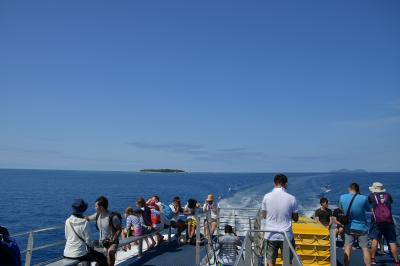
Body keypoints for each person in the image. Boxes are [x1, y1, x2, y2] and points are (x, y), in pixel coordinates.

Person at [260, 173, 298, 266]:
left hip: (270, 234)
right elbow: (296, 218)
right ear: (286, 184)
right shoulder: (292, 198)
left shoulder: (266, 196)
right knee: (288, 262)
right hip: (286, 235)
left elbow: (264, 215)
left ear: (274, 183)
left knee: (270, 262)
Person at [64, 199, 107, 266]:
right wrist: (93, 248)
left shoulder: (67, 221)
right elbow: (88, 241)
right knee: (102, 258)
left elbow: (67, 237)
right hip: (80, 254)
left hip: (67, 253)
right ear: (83, 210)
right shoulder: (84, 222)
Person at [339, 183, 371, 266]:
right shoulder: (364, 198)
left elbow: (341, 209)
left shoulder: (342, 197)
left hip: (349, 227)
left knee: (347, 248)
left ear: (349, 188)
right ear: (357, 189)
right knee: (365, 249)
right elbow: (369, 209)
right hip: (362, 227)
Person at [368, 182, 399, 265]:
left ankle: (373, 259)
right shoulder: (388, 195)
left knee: (375, 239)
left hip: (376, 222)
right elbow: (390, 203)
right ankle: (397, 261)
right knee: (392, 241)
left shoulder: (371, 196)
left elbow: (370, 205)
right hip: (389, 222)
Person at [87, 196, 122, 266]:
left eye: (96, 206)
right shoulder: (97, 215)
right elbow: (87, 219)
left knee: (110, 252)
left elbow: (119, 229)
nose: (94, 208)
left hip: (112, 243)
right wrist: (76, 218)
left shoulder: (113, 217)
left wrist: (112, 240)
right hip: (101, 243)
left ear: (101, 207)